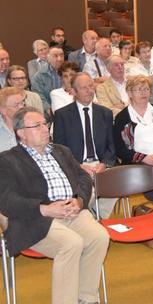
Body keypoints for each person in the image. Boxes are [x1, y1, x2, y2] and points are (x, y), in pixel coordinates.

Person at [0, 107, 110, 304]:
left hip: (71, 211)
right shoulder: (6, 160)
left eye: (45, 124)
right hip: (35, 219)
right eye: (36, 126)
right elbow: (7, 201)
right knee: (71, 243)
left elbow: (83, 178)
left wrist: (79, 200)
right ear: (21, 133)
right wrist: (44, 208)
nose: (44, 129)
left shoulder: (61, 150)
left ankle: (84, 300)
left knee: (99, 236)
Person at [52, 73, 117, 218]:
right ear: (73, 92)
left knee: (116, 185)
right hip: (77, 165)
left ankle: (98, 218)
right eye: (83, 88)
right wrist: (79, 166)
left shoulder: (105, 113)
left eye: (91, 86)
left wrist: (104, 164)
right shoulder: (62, 115)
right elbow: (59, 150)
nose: (89, 91)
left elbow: (111, 146)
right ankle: (92, 219)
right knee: (89, 193)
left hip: (100, 164)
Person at [113, 75, 153, 167]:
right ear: (129, 93)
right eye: (139, 89)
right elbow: (120, 148)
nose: (143, 93)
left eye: (146, 89)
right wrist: (144, 158)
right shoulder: (122, 117)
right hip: (136, 167)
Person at [32, 46, 65, 115]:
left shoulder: (69, 72)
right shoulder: (39, 75)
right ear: (48, 58)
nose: (59, 59)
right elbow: (39, 95)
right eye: (55, 56)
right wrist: (49, 109)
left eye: (61, 55)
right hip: (48, 112)